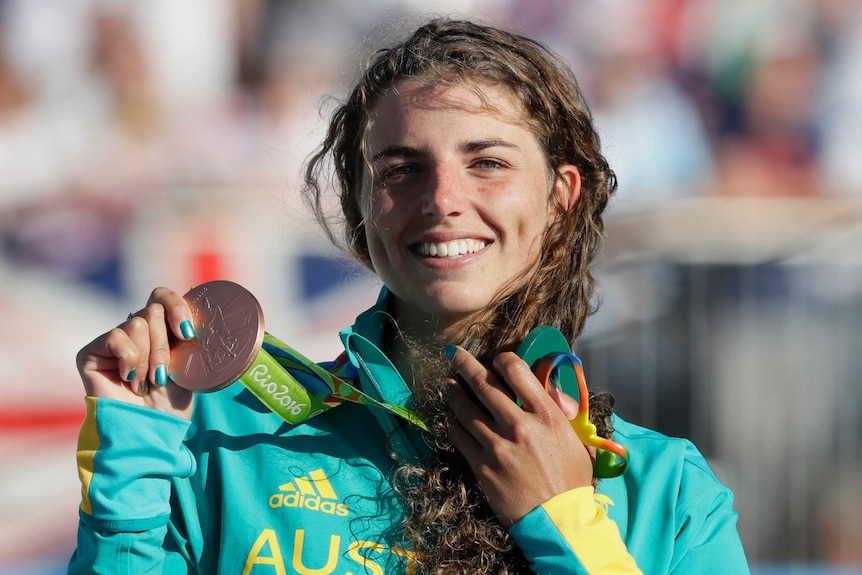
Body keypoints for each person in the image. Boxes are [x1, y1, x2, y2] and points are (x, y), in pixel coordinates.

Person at [68, 18, 749, 575]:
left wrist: (567, 519)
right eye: (402, 168)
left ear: (560, 197)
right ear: (362, 205)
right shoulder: (220, 442)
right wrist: (133, 462)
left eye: (487, 162)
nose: (444, 200)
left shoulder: (667, 492)